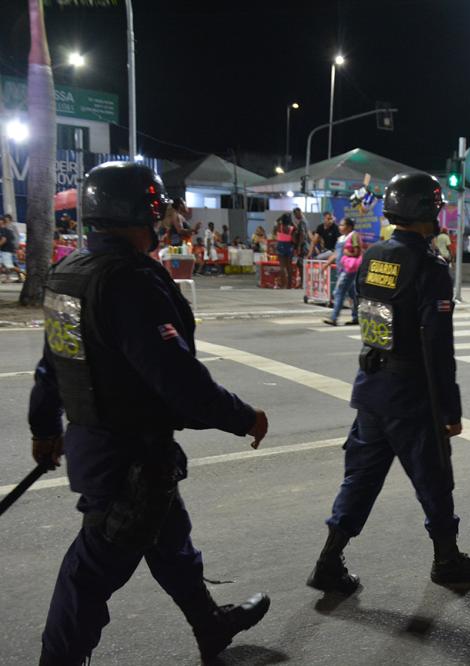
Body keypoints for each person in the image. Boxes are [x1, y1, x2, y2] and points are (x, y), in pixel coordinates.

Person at [28, 162, 270, 665]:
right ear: (145, 211)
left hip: (104, 447)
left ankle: (211, 626)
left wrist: (44, 429)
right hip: (128, 457)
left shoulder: (70, 272)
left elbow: (54, 364)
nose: (164, 219)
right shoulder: (130, 281)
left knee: (171, 544)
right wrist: (242, 416)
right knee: (89, 574)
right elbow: (177, 379)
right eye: (159, 209)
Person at [307, 172, 470, 595]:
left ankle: (328, 560)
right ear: (428, 212)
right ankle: (447, 559)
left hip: (371, 388)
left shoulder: (374, 255)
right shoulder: (430, 268)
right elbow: (438, 348)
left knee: (360, 479)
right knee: (434, 478)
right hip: (411, 396)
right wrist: (450, 409)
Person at [322, 218, 362, 326]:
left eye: (342, 225)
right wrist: (327, 264)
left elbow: (357, 252)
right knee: (352, 294)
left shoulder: (353, 236)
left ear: (349, 227)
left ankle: (334, 317)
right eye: (340, 225)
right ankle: (356, 316)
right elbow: (336, 253)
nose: (340, 227)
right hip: (341, 269)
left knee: (339, 292)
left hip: (349, 269)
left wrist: (347, 253)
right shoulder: (340, 238)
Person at [273, 213, 298, 289]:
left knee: (282, 267)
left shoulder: (279, 227)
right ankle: (289, 285)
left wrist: (281, 217)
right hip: (289, 246)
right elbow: (296, 229)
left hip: (280, 246)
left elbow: (275, 224)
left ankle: (283, 283)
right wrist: (291, 221)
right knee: (289, 266)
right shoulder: (292, 229)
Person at [0, 215, 25, 282]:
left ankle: (24, 273)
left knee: (10, 266)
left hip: (7, 250)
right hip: (7, 250)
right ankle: (8, 278)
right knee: (6, 265)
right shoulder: (7, 229)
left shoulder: (7, 228)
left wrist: (16, 247)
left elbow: (4, 240)